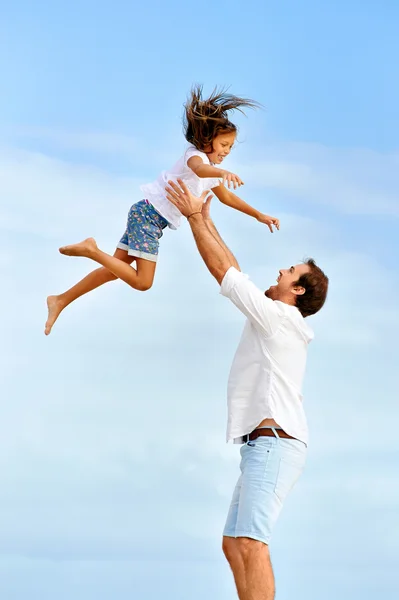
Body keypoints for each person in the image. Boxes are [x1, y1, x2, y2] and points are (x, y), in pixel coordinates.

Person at [164, 179, 329, 600]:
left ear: (297, 290)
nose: (280, 270)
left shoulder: (278, 318)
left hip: (275, 445)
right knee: (232, 543)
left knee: (252, 542)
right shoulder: (275, 316)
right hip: (264, 446)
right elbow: (235, 271)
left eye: (290, 271)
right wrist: (205, 218)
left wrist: (193, 217)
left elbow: (223, 272)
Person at [44, 86, 279, 335]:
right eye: (224, 144)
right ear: (207, 140)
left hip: (147, 217)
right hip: (148, 216)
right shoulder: (195, 155)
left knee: (113, 271)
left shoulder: (211, 171)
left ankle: (60, 300)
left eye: (231, 147)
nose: (227, 151)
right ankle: (91, 250)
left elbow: (227, 197)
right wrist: (221, 172)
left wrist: (258, 215)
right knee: (142, 282)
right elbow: (199, 169)